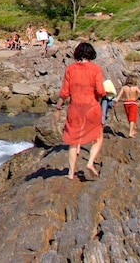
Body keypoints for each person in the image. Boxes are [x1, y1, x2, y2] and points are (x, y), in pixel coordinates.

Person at [54, 42, 105, 180]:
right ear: (91, 54)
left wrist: (58, 107)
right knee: (98, 137)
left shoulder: (70, 69)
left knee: (73, 141)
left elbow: (64, 92)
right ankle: (89, 163)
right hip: (92, 108)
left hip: (75, 109)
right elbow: (100, 91)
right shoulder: (96, 70)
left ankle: (70, 173)